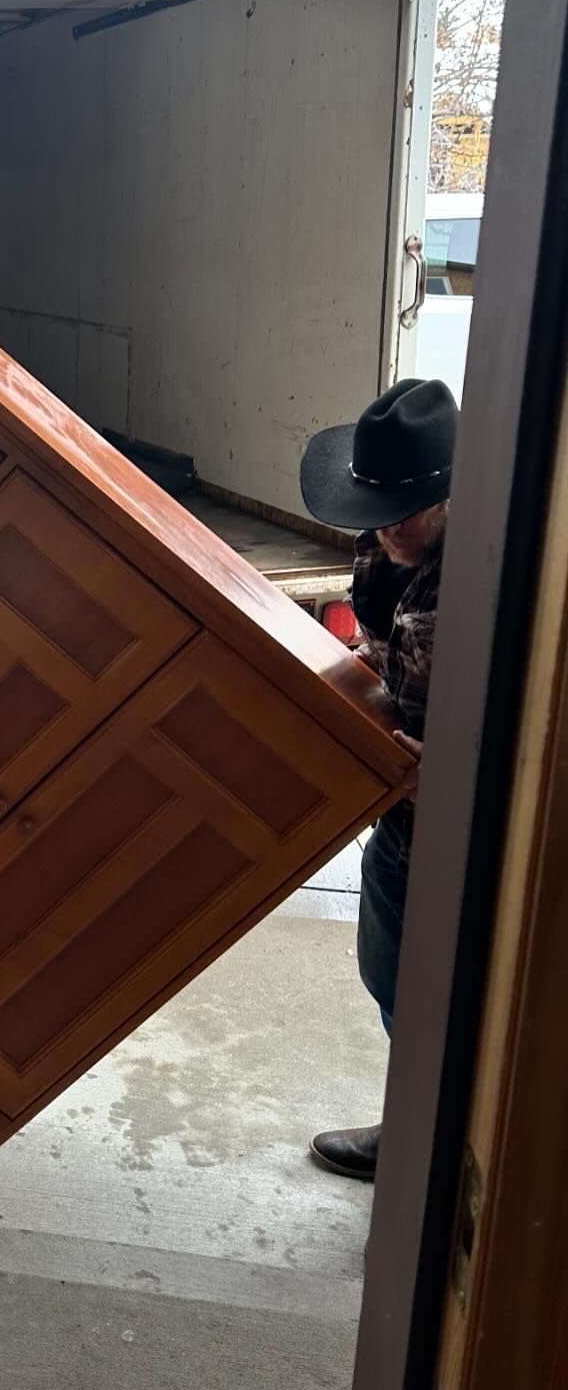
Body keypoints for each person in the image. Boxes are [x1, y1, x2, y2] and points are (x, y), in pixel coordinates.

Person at [297, 376, 457, 1182]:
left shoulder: (490, 571)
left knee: (438, 999)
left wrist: (464, 763)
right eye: (374, 512)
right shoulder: (383, 534)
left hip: (457, 818)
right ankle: (421, 1127)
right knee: (390, 978)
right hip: (399, 801)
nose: (386, 530)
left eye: (405, 513)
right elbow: (379, 634)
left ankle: (431, 1148)